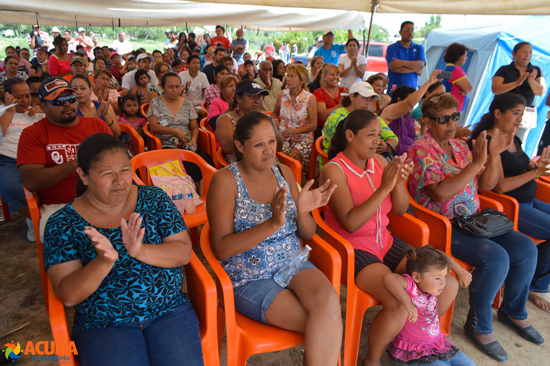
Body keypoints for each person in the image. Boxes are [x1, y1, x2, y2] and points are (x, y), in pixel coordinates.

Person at [43, 133, 205, 366]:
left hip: (168, 310)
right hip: (104, 324)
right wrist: (103, 261)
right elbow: (68, 295)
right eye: (107, 173)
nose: (120, 181)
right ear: (83, 176)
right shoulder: (62, 223)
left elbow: (183, 253)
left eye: (125, 169)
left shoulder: (154, 199)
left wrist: (141, 252)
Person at [319, 108, 460, 366]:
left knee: (446, 284)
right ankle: (371, 359)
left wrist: (398, 183)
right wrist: (384, 186)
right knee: (397, 303)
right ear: (350, 135)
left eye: (379, 134)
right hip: (351, 249)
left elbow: (398, 209)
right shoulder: (334, 169)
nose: (378, 140)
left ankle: (412, 336)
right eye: (371, 135)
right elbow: (350, 223)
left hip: (384, 240)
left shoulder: (381, 162)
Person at [408, 93, 542, 362]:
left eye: (455, 116)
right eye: (443, 119)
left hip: (476, 222)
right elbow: (440, 194)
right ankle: (479, 325)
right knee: (495, 257)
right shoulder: (420, 149)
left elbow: (487, 185)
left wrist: (491, 157)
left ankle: (513, 311)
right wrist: (476, 163)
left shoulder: (460, 146)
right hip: (445, 225)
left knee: (526, 248)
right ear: (427, 121)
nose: (451, 123)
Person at [207, 111, 342, 365]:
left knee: (328, 303)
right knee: (324, 325)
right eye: (259, 144)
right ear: (239, 145)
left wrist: (303, 211)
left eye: (272, 141)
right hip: (248, 274)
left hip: (293, 261)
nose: (269, 150)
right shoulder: (225, 181)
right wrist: (272, 223)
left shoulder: (284, 173)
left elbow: (307, 234)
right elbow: (222, 249)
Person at [471, 92, 550, 313]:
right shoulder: (487, 141)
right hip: (511, 206)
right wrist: (536, 174)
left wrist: (536, 167)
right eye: (515, 113)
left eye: (521, 113)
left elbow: (523, 166)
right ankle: (536, 285)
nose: (519, 118)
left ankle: (533, 281)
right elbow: (500, 186)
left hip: (529, 200)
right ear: (498, 113)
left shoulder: (513, 138)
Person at [17, 77, 113, 240]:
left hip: (104, 198)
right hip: (59, 206)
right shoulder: (32, 134)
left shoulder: (97, 125)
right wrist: (79, 160)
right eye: (57, 101)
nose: (67, 104)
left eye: (70, 98)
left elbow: (116, 162)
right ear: (43, 107)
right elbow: (31, 181)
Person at [384, 247, 475, 366]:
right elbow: (388, 278)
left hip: (437, 344)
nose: (443, 283)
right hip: (416, 350)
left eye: (444, 276)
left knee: (470, 364)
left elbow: (439, 254)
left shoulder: (432, 290)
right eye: (437, 278)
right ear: (416, 277)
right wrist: (406, 301)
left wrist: (458, 270)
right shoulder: (411, 286)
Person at [0, 78, 45, 242]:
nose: (25, 101)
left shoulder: (36, 113)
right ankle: (38, 219)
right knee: (9, 186)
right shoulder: (2, 112)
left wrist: (43, 111)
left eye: (28, 95)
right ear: (7, 96)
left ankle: (44, 217)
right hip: (8, 160)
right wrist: (10, 111)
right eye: (19, 97)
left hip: (36, 159)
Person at [147, 72, 214, 170]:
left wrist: (194, 140)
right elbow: (153, 126)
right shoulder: (156, 102)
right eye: (170, 87)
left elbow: (194, 127)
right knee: (187, 165)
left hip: (187, 144)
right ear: (163, 88)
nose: (174, 90)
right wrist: (175, 131)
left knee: (205, 164)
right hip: (166, 145)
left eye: (177, 86)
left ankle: (204, 184)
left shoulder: (187, 104)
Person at [321, 82, 396, 163]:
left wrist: (385, 146)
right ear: (352, 96)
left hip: (364, 162)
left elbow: (393, 138)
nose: (367, 103)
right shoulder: (337, 116)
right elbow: (347, 145)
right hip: (339, 163)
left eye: (370, 99)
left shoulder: (371, 117)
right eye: (364, 98)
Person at [272, 63, 317, 177]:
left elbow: (313, 125)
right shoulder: (282, 95)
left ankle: (292, 183)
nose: (288, 78)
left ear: (301, 80)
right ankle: (278, 182)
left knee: (290, 157)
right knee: (274, 155)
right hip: (284, 138)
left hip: (303, 139)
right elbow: (274, 113)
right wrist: (275, 121)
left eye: (292, 76)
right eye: (287, 75)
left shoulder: (309, 98)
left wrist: (294, 132)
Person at [216, 80, 276, 163]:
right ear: (238, 98)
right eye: (252, 96)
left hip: (269, 162)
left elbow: (279, 146)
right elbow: (229, 148)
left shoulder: (263, 118)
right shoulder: (225, 119)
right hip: (243, 166)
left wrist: (273, 126)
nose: (257, 101)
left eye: (259, 97)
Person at [492, 42, 545, 108]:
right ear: (514, 54)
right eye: (524, 52)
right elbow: (495, 89)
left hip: (527, 111)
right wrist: (516, 83)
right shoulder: (504, 69)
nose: (527, 55)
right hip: (505, 108)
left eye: (530, 52)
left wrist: (531, 81)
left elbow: (540, 92)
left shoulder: (536, 70)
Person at [385, 21, 426, 93]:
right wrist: (415, 69)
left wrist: (400, 62)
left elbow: (421, 64)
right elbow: (396, 68)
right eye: (407, 30)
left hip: (411, 92)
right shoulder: (392, 48)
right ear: (400, 32)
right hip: (395, 91)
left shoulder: (419, 48)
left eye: (412, 30)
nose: (410, 32)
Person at [313, 63, 346, 140]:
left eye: (337, 74)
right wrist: (341, 104)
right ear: (323, 76)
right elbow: (323, 116)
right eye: (332, 74)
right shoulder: (318, 93)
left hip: (343, 131)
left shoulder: (344, 91)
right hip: (323, 132)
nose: (335, 77)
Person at [441, 43, 472, 112]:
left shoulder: (448, 67)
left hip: (449, 105)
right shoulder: (455, 69)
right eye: (465, 55)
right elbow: (469, 87)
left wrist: (465, 91)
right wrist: (466, 91)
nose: (466, 58)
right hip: (454, 107)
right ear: (458, 56)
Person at [179, 55, 210, 120]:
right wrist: (185, 89)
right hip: (186, 104)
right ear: (188, 64)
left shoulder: (202, 75)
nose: (197, 65)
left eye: (198, 63)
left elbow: (206, 92)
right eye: (194, 63)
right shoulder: (181, 75)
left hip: (200, 104)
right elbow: (179, 93)